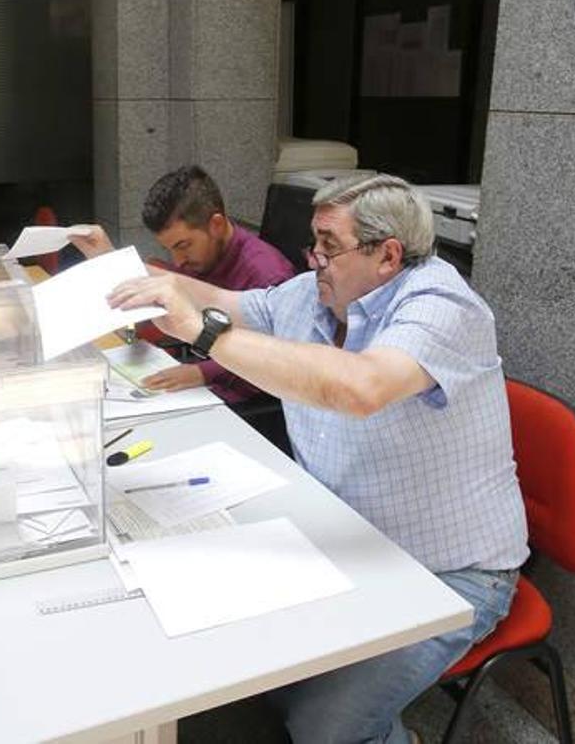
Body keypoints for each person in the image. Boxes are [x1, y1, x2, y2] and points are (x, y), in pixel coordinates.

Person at [108, 174, 528, 744]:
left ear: (387, 255)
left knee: (323, 728)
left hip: (449, 571)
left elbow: (361, 388)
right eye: (314, 243)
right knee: (239, 658)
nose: (314, 260)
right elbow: (236, 304)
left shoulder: (442, 304)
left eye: (329, 245)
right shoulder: (314, 293)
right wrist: (133, 281)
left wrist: (203, 336)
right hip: (349, 541)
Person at [69, 165, 295, 403]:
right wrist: (111, 262)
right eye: (169, 250)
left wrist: (201, 373)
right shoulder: (202, 259)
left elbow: (282, 361)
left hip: (246, 400)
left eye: (183, 246)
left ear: (216, 225)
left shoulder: (270, 276)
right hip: (193, 372)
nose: (178, 261)